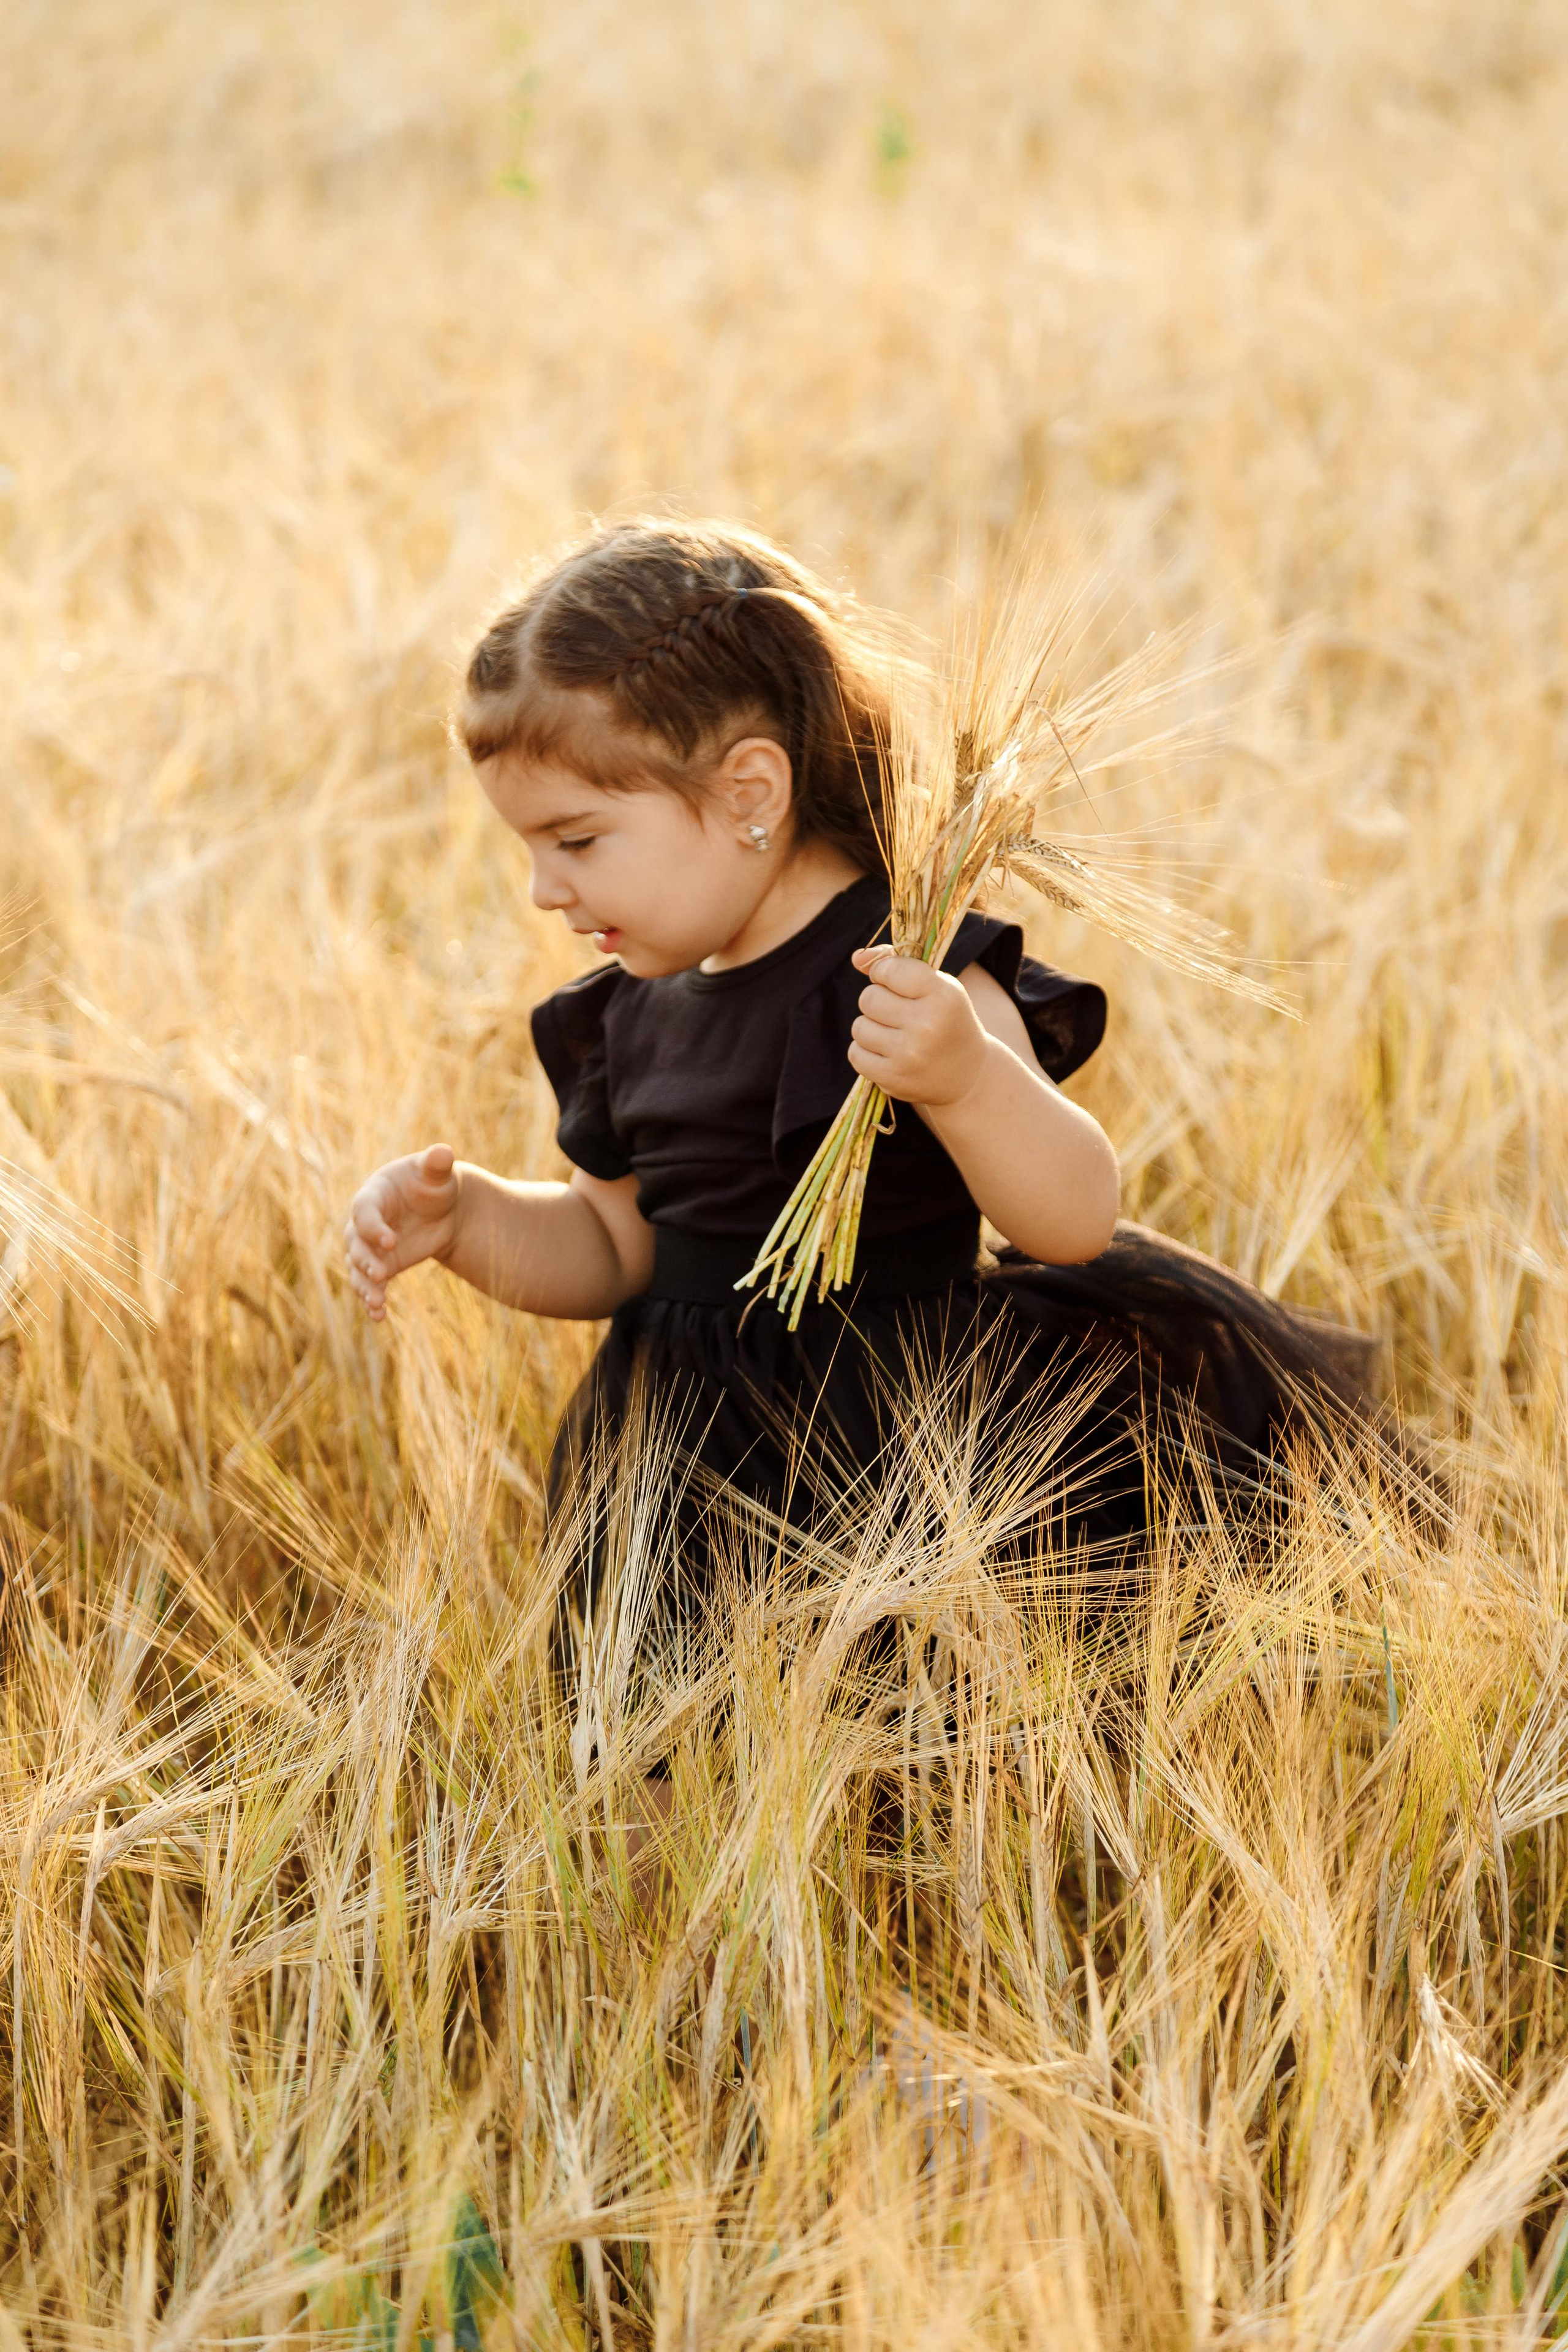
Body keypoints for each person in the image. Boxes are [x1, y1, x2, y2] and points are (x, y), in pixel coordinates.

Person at [344, 519, 1379, 1653]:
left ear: (752, 789)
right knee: (664, 1791)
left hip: (902, 1455)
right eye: (529, 851)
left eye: (578, 840)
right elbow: (617, 1251)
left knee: (912, 1771)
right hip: (677, 1474)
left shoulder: (909, 968)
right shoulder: (629, 1008)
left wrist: (965, 1079)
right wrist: (470, 1222)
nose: (545, 889)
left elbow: (1074, 1217)